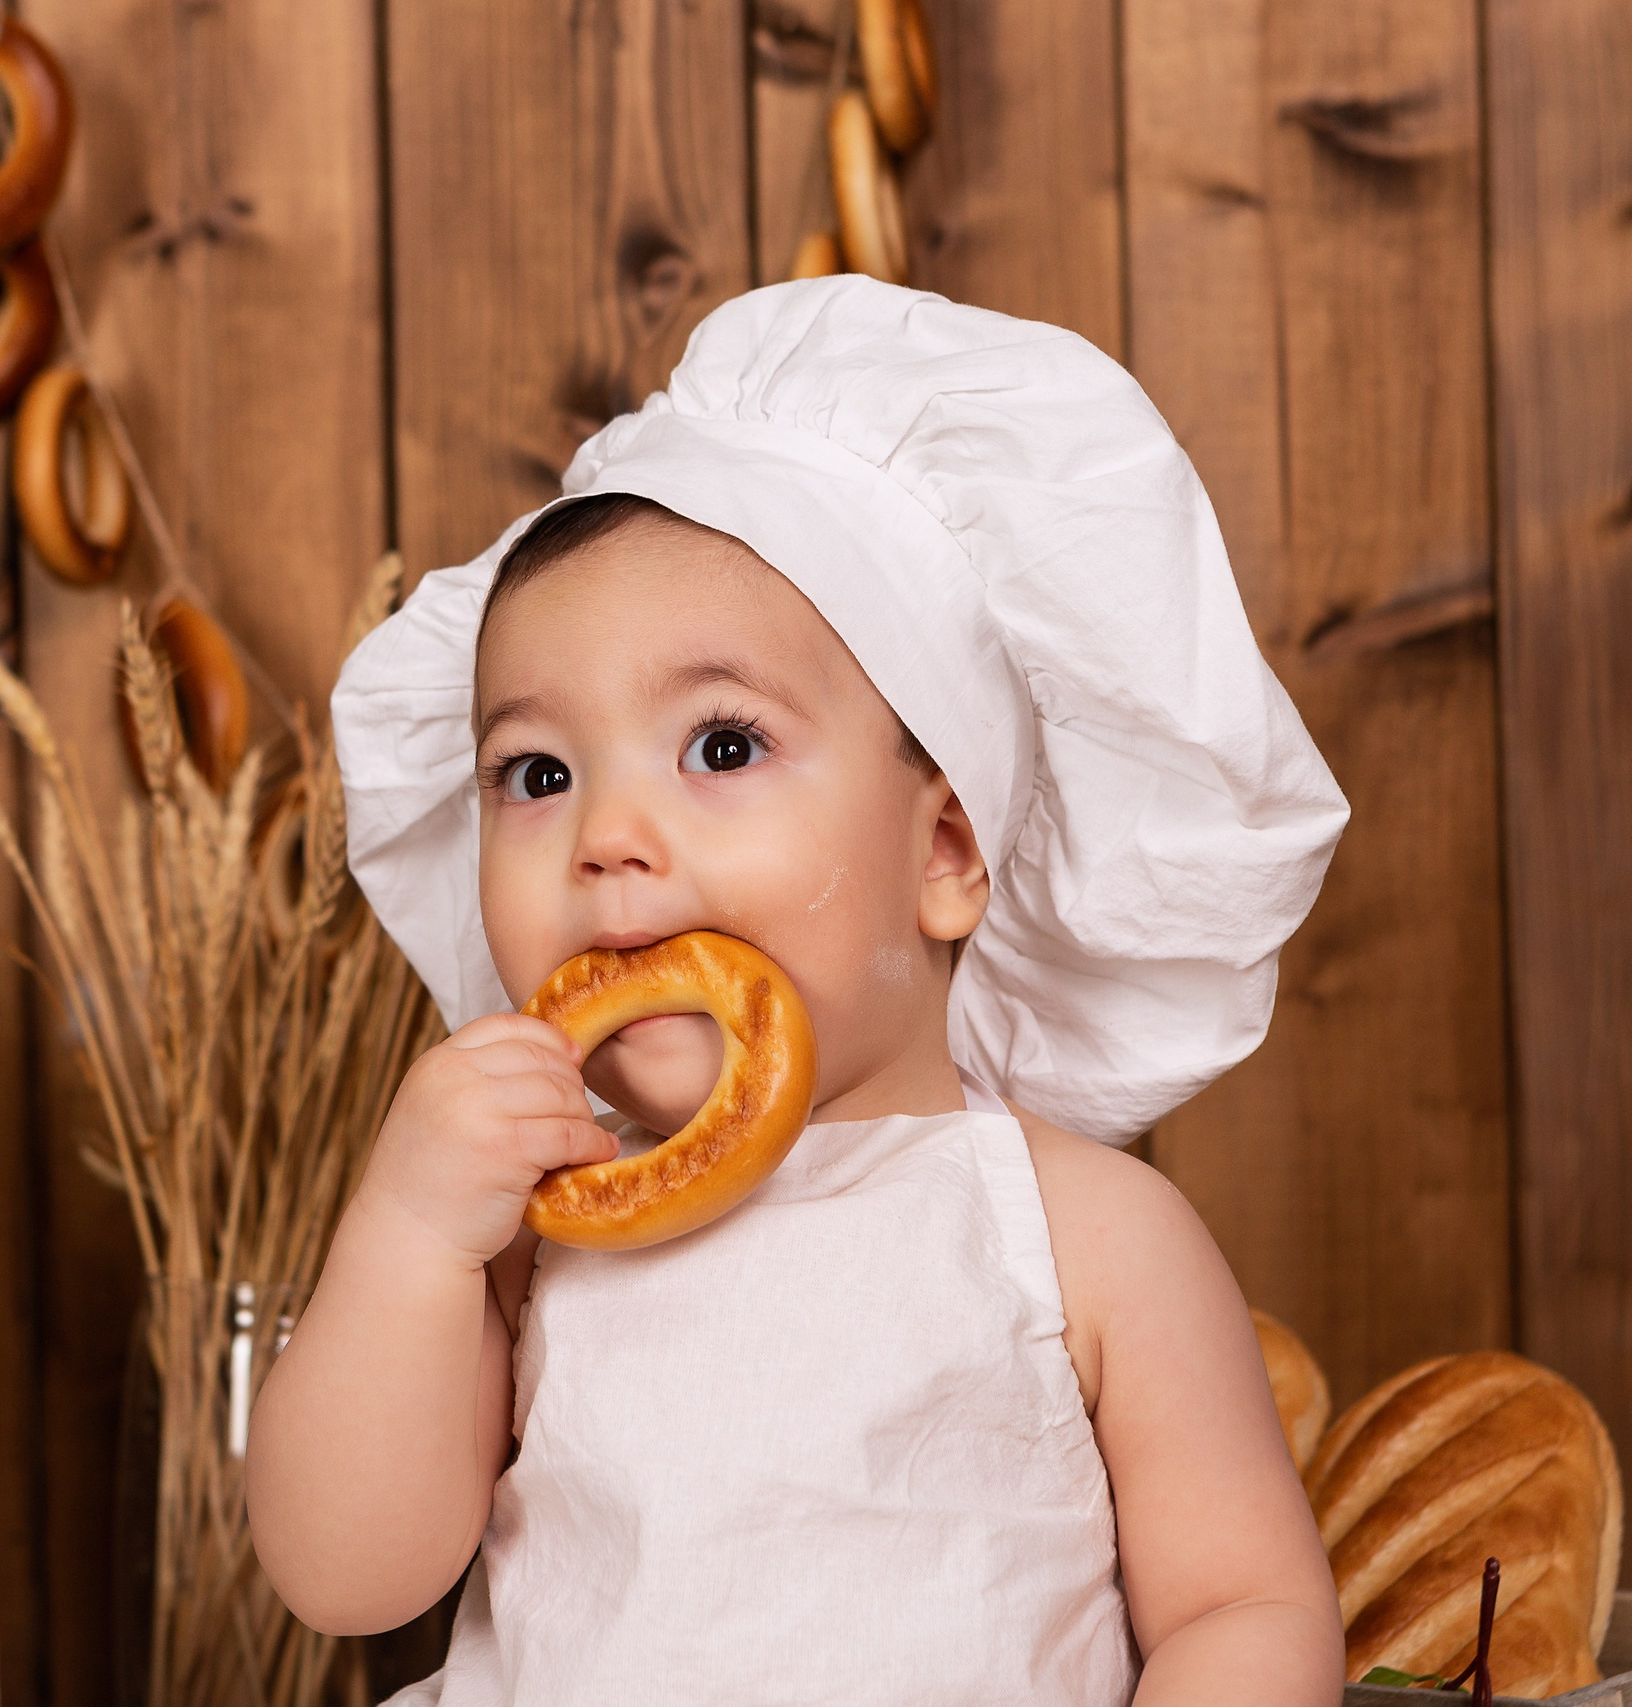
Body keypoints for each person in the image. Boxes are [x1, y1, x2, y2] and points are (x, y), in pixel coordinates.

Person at [246, 275, 1352, 1707]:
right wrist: (404, 1235)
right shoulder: (528, 1236)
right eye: (538, 774)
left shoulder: (1082, 1231)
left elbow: (1242, 1605)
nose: (606, 835)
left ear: (946, 849)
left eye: (719, 746)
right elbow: (345, 1577)